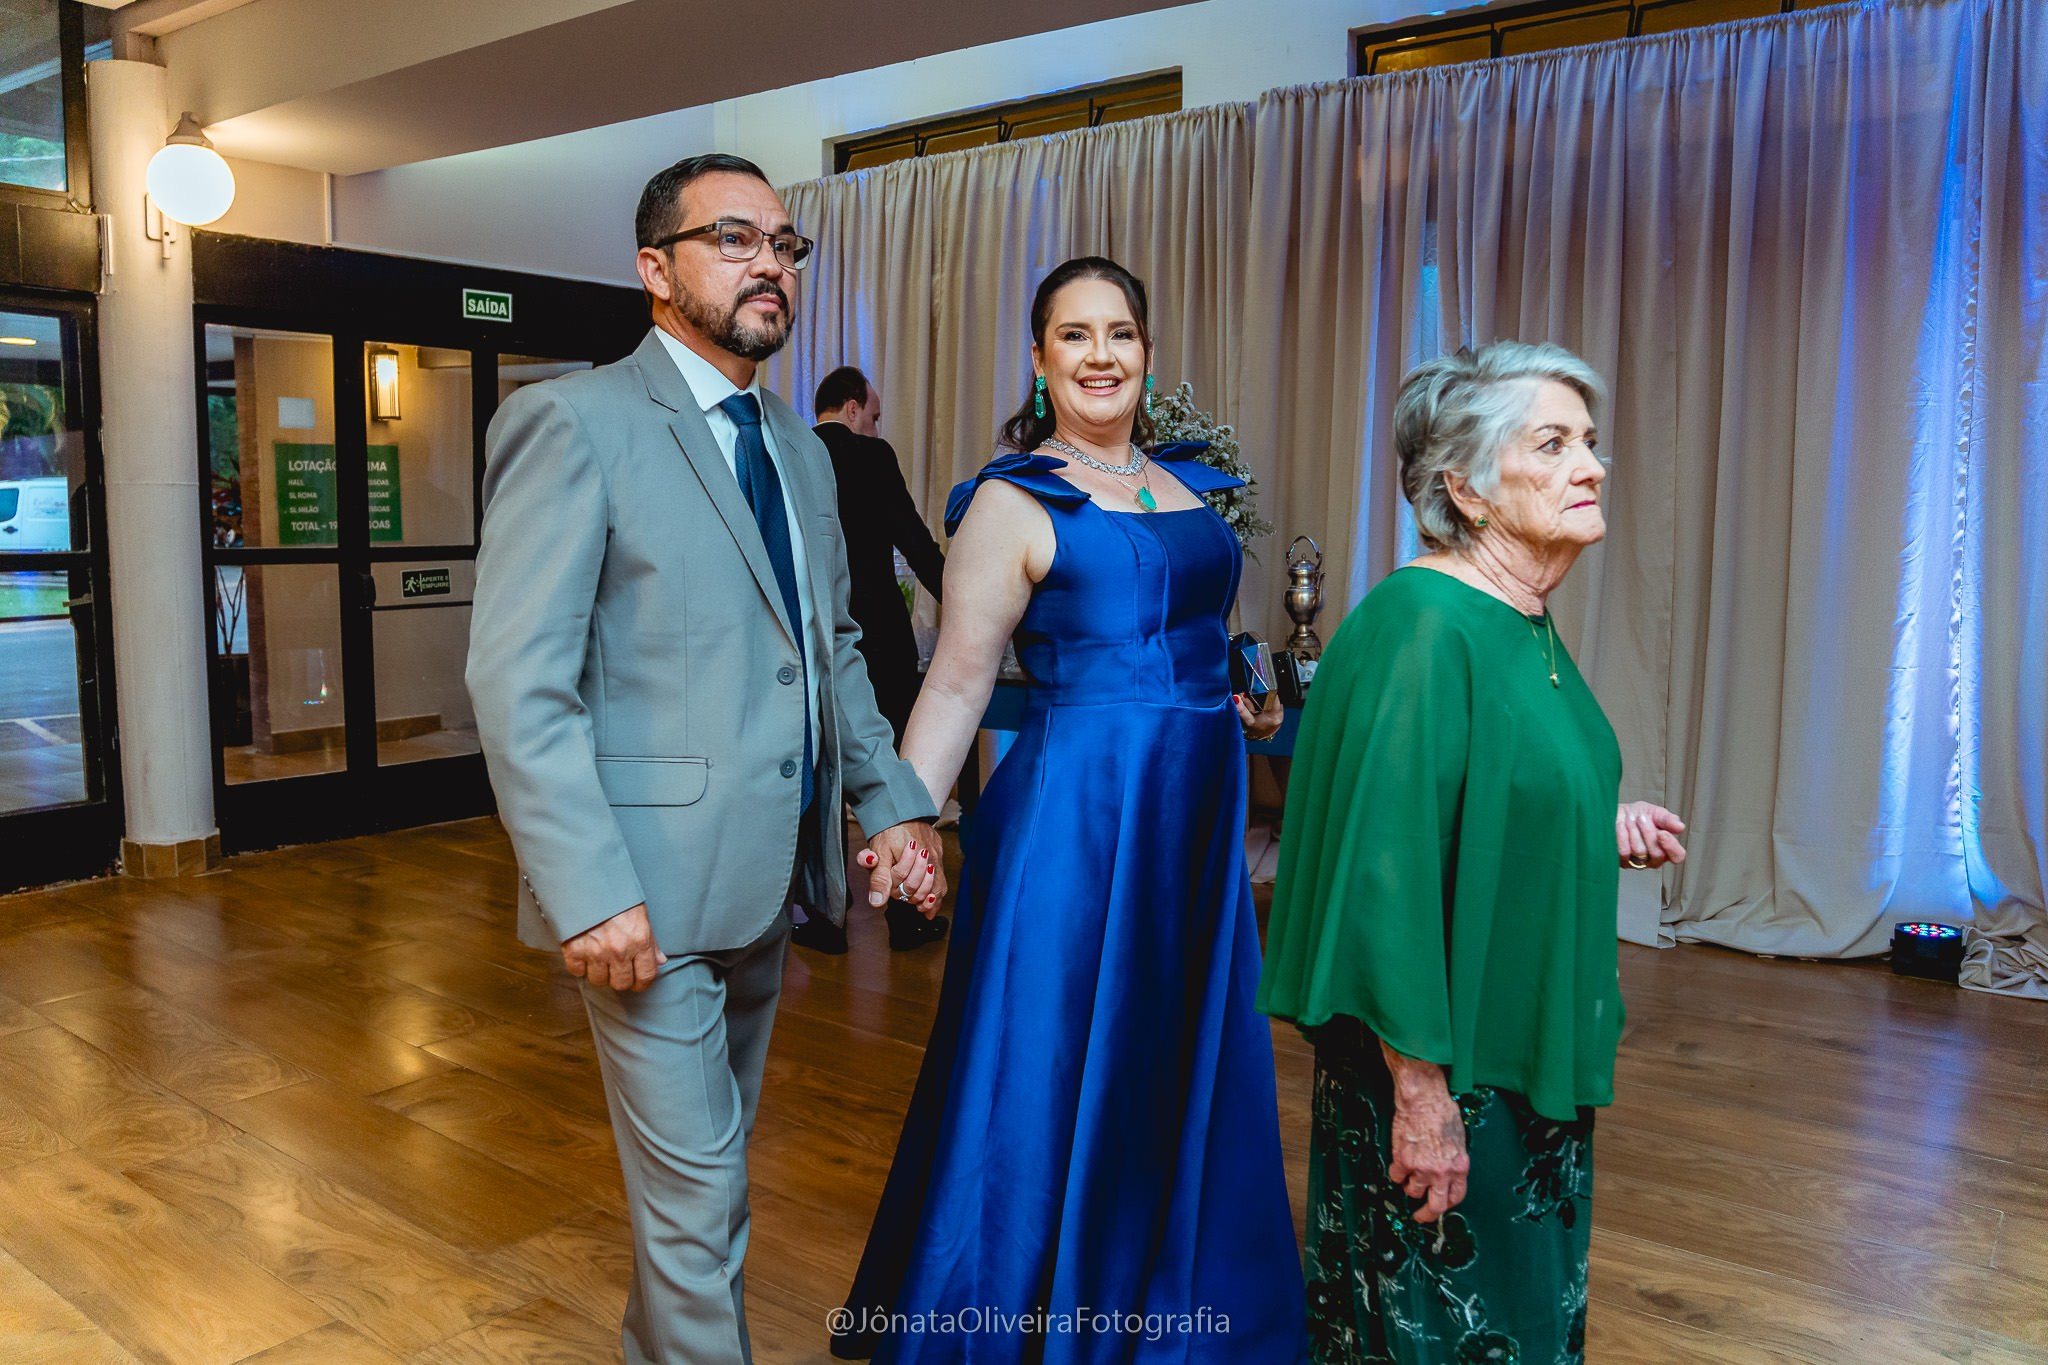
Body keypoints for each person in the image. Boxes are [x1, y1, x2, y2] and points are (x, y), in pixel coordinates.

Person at [467, 152, 946, 1365]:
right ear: (654, 269)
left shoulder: (796, 446)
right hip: (644, 895)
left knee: (711, 1181)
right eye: (733, 240)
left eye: (785, 245)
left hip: (768, 884)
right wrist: (589, 891)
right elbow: (518, 680)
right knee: (694, 1208)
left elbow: (829, 646)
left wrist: (892, 805)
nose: (769, 266)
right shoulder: (570, 421)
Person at [833, 257, 1310, 1365]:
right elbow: (955, 680)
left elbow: (1202, 634)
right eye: (1073, 336)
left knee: (1170, 1049)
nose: (1101, 356)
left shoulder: (1184, 482)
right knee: (1046, 1055)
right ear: (1040, 359)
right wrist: (902, 820)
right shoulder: (1012, 499)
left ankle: (1175, 1302)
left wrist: (1238, 683)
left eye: (1120, 334)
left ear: (1146, 350)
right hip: (1073, 820)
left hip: (1189, 812)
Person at [1256, 341, 1687, 1365]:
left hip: (1517, 1059)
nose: (1590, 465)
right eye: (1552, 444)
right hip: (1452, 1079)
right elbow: (1380, 877)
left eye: (1588, 442)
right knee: (1437, 1327)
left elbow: (1486, 786)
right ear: (1466, 488)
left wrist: (1598, 819)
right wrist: (1421, 1102)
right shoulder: (1421, 627)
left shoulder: (1515, 620)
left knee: (1514, 1317)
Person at [803, 365, 949, 954]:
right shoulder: (872, 457)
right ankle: (910, 916)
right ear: (851, 405)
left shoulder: (790, 451)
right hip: (878, 641)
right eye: (875, 414)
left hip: (815, 643)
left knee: (821, 781)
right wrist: (972, 616)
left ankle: (824, 917)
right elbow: (915, 542)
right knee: (895, 771)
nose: (875, 424)